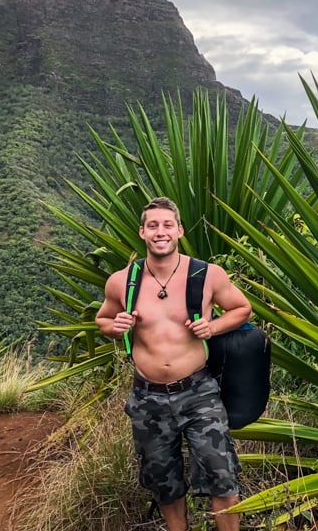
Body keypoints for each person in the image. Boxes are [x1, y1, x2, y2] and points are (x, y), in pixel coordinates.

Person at [96, 197, 252, 531]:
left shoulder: (207, 275)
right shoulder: (122, 281)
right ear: (142, 232)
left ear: (179, 230)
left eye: (167, 225)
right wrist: (116, 326)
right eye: (152, 225)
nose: (160, 232)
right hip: (147, 397)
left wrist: (213, 327)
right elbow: (103, 319)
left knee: (222, 478)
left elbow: (242, 309)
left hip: (199, 393)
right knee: (164, 485)